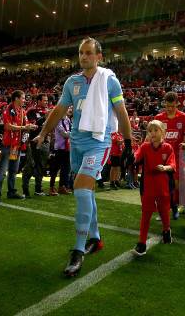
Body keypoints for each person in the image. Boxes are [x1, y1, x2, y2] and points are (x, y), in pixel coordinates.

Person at [32, 37, 133, 277]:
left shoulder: (109, 81)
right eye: (81, 53)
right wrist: (44, 133)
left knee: (80, 189)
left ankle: (78, 250)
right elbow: (59, 109)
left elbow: (121, 111)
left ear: (99, 56)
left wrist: (128, 143)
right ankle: (96, 239)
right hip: (76, 142)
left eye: (89, 53)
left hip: (99, 142)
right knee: (87, 192)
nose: (84, 56)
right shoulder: (72, 82)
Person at [132, 120, 176, 256]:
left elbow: (173, 164)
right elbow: (136, 156)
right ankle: (142, 243)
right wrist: (131, 156)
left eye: (156, 130)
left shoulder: (168, 147)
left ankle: (166, 230)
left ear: (163, 132)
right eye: (150, 131)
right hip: (148, 186)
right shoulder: (144, 147)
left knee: (164, 211)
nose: (152, 133)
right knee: (146, 214)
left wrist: (165, 167)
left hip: (163, 185)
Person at [0, 90, 35, 202]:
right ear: (16, 98)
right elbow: (7, 127)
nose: (24, 100)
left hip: (17, 146)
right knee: (2, 171)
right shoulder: (8, 110)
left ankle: (11, 192)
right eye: (23, 98)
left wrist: (30, 126)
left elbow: (25, 125)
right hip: (8, 145)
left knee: (13, 170)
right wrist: (24, 127)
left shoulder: (23, 111)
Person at [154, 92, 185, 219]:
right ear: (164, 104)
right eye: (167, 106)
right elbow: (154, 136)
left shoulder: (184, 117)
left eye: (172, 106)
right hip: (162, 156)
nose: (169, 109)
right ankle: (163, 209)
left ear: (177, 104)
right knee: (161, 185)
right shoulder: (159, 117)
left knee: (175, 184)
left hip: (178, 156)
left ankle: (175, 207)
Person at [22, 94, 50, 197]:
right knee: (30, 165)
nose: (46, 102)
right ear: (38, 101)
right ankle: (25, 190)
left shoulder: (48, 111)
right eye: (44, 100)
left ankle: (38, 189)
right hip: (34, 142)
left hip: (45, 142)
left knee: (41, 166)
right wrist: (44, 118)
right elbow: (32, 125)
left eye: (47, 100)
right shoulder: (32, 111)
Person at [50, 106, 73, 195]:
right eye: (68, 108)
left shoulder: (68, 120)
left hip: (67, 148)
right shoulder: (58, 120)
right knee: (55, 169)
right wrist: (76, 134)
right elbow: (64, 134)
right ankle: (51, 187)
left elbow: (69, 132)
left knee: (65, 169)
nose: (69, 110)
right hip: (59, 148)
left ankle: (62, 187)